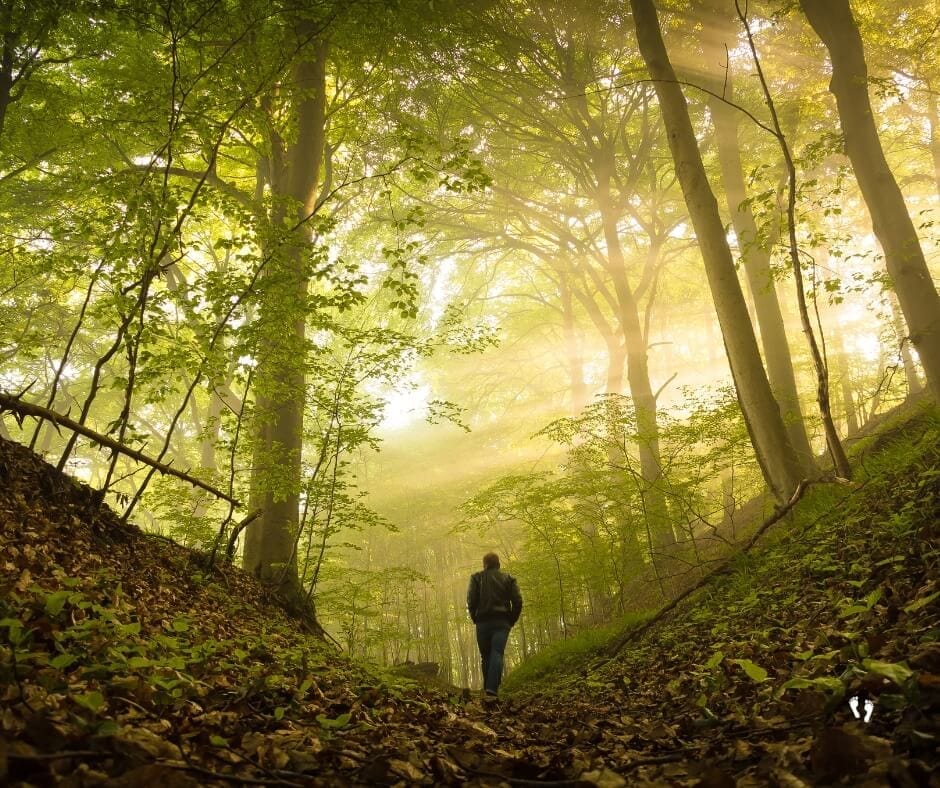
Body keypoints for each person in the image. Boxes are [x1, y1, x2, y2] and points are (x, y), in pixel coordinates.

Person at [466, 552, 522, 702]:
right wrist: (511, 620)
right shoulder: (508, 578)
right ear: (498, 564)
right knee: (497, 652)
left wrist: (475, 617)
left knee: (486, 656)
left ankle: (488, 690)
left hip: (483, 622)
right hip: (501, 622)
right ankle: (492, 689)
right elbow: (518, 601)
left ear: (485, 564)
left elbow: (471, 600)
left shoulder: (476, 578)